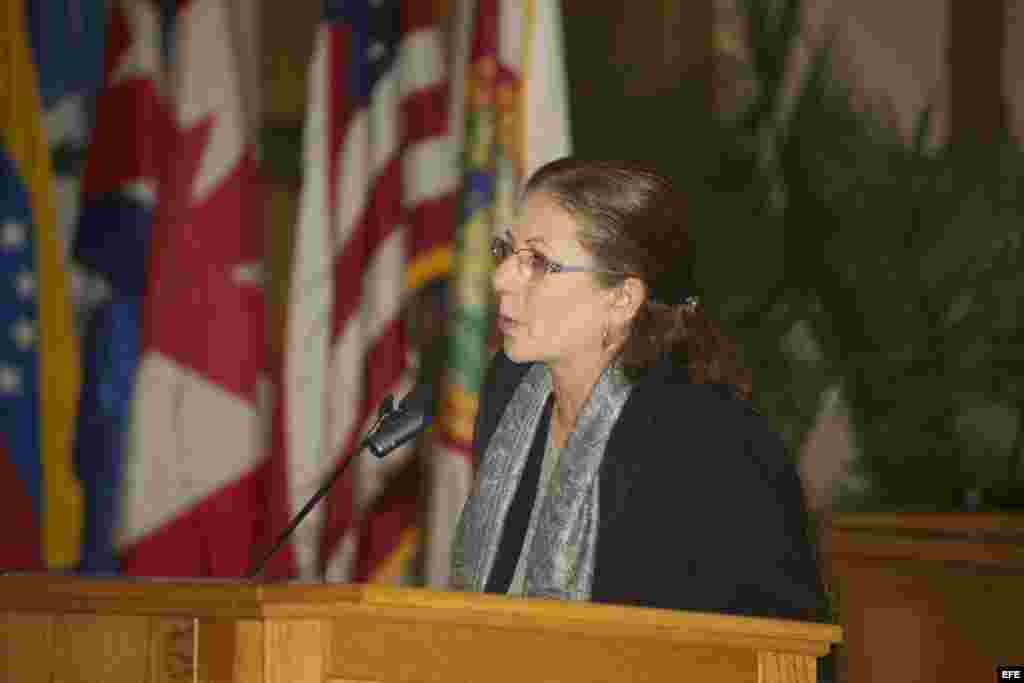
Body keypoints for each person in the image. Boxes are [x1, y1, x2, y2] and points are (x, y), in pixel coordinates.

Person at [450, 157, 830, 625]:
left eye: (538, 262)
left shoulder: (709, 440)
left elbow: (782, 643)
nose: (502, 278)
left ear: (623, 298)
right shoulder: (510, 394)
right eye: (506, 252)